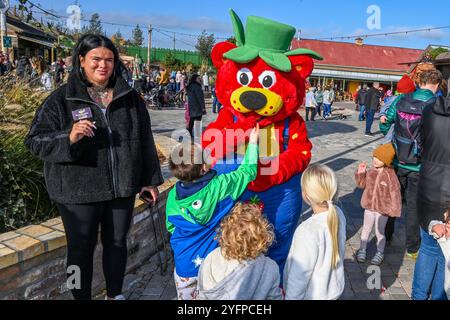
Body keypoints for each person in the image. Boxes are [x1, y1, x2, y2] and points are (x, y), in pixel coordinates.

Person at [24, 34, 164, 300]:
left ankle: (115, 294)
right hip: (78, 191)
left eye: (109, 60)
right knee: (80, 249)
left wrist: (149, 180)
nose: (103, 65)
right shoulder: (61, 99)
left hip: (121, 187)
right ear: (81, 61)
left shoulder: (130, 97)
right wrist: (68, 137)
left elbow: (145, 140)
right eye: (96, 59)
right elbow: (34, 141)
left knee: (117, 243)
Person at [166, 126, 260, 300]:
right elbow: (247, 172)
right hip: (214, 263)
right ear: (204, 168)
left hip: (184, 263)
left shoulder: (173, 195)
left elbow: (170, 226)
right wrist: (253, 143)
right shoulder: (220, 186)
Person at [380, 69, 442, 259]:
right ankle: (413, 247)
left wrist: (392, 141)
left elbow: (385, 122)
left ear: (419, 82)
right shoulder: (436, 104)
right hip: (420, 165)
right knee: (414, 207)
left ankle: (386, 236)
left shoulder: (401, 100)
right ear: (437, 85)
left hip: (399, 159)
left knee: (393, 199)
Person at [283, 164, 346, 300]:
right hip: (332, 292)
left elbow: (299, 275)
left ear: (306, 195)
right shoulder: (338, 214)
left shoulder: (307, 230)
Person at [197, 202, 282, 300]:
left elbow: (202, 291)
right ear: (263, 237)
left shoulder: (212, 258)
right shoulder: (269, 267)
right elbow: (274, 297)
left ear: (225, 233)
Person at [413, 84, 449, 300]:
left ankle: (418, 296)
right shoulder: (428, 108)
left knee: (428, 249)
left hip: (429, 184)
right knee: (444, 253)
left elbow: (422, 142)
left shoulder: (429, 108)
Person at [354, 143, 402, 265]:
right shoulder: (371, 171)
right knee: (366, 229)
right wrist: (361, 173)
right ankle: (362, 249)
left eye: (379, 158)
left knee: (380, 232)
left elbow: (395, 193)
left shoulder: (391, 176)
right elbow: (361, 185)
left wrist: (394, 210)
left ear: (386, 161)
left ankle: (380, 252)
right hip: (369, 207)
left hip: (382, 210)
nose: (375, 160)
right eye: (374, 157)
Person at [427, 206, 450, 300]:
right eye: (447, 222)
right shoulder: (444, 238)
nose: (446, 226)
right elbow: (434, 225)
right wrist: (434, 227)